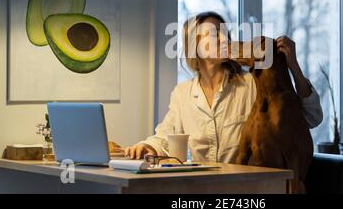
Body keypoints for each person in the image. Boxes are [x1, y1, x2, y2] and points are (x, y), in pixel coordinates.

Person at [125, 11, 322, 163]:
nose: (223, 38)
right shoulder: (182, 93)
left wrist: (293, 67)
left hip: (247, 190)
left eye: (224, 32)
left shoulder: (252, 85)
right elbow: (165, 138)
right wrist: (146, 146)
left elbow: (311, 118)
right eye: (212, 34)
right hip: (201, 189)